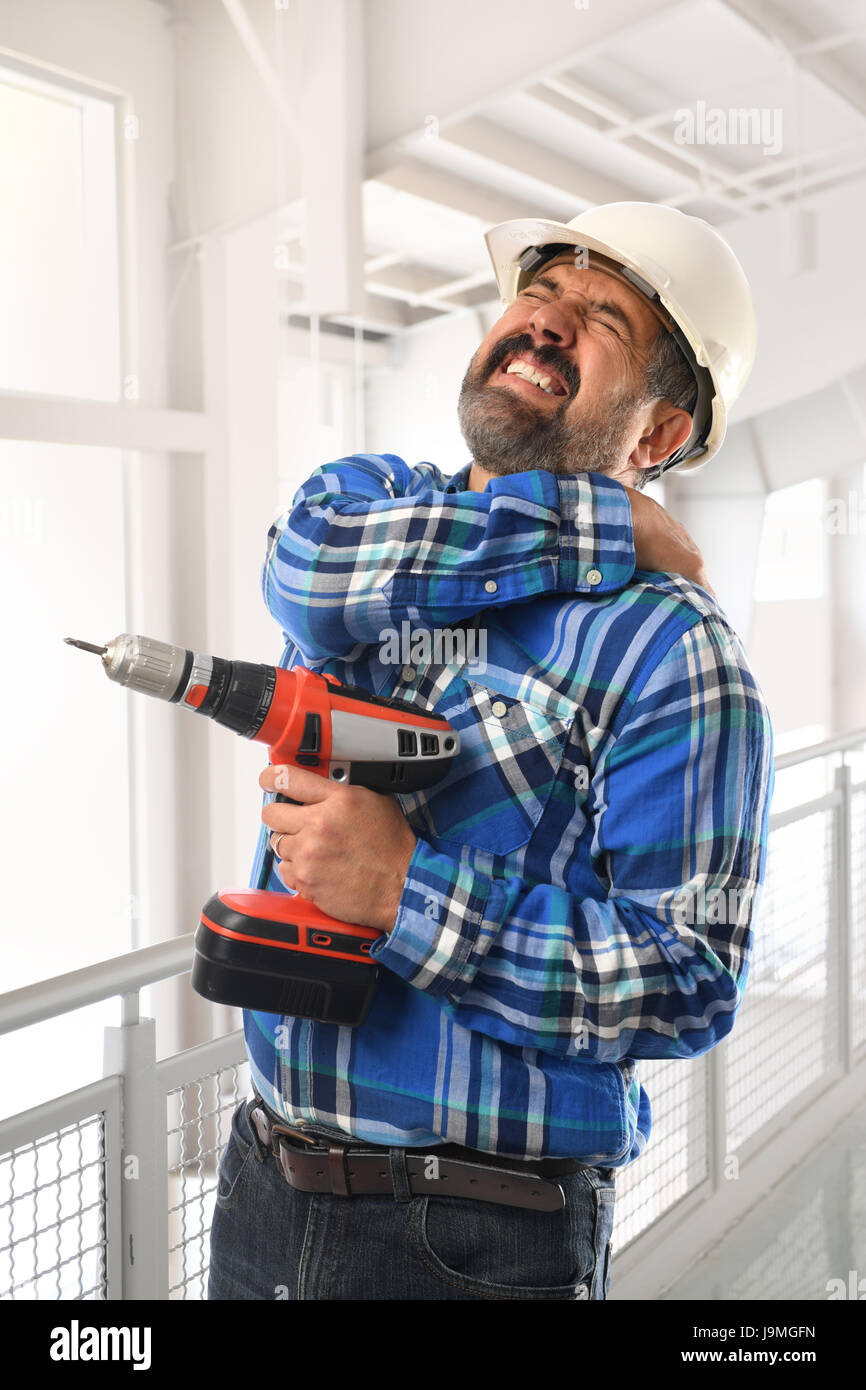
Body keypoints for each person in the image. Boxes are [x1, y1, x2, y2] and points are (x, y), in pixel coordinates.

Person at [207, 202, 773, 1302]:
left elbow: (687, 980)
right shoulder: (372, 506)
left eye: (601, 314)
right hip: (264, 1188)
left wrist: (404, 892)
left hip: (474, 1244)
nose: (548, 319)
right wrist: (603, 525)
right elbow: (312, 574)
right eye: (538, 292)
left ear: (657, 437)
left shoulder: (670, 649)